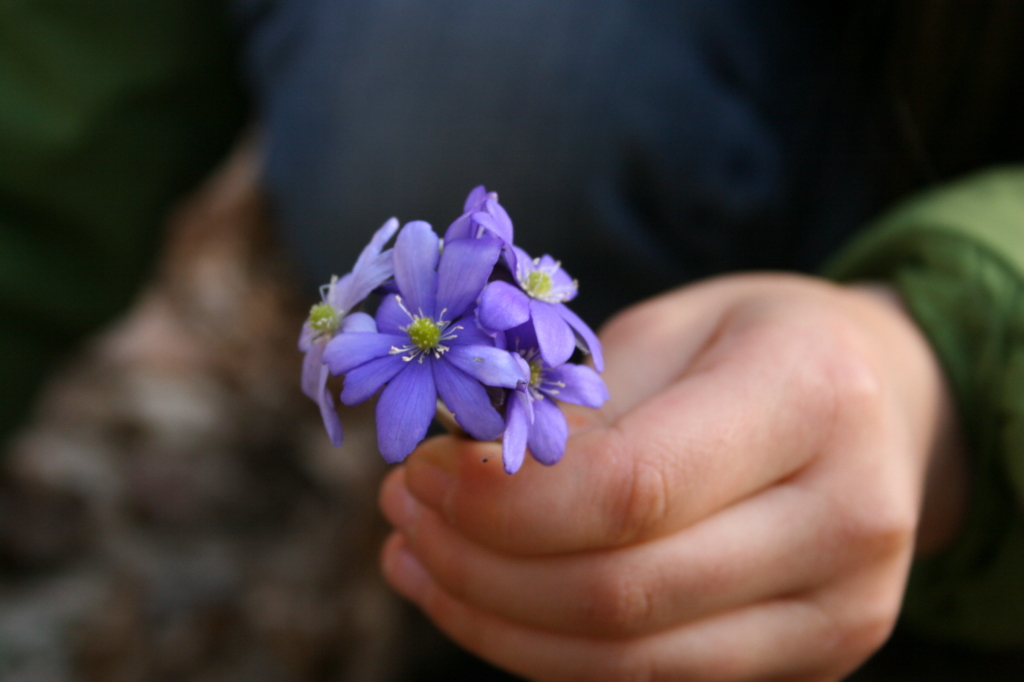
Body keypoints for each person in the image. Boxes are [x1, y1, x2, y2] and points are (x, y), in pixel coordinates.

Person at [3, 0, 1024, 679]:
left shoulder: (493, 337)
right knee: (463, 68)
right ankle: (551, 588)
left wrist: (946, 361)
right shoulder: (428, 320)